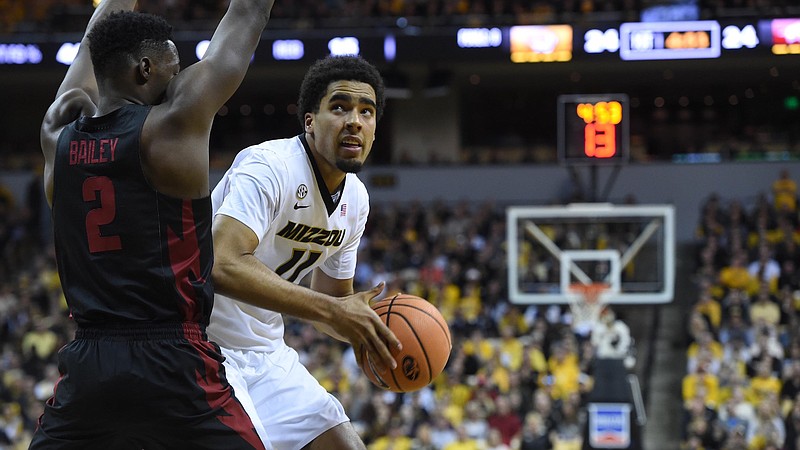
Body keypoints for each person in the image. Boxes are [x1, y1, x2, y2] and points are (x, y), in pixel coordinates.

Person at [32, 0, 275, 448]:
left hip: (89, 365)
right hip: (174, 359)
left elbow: (92, 44)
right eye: (173, 67)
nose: (179, 76)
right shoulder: (170, 127)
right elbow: (248, 13)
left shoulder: (56, 135)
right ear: (145, 69)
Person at [207, 54, 401, 450]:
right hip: (198, 346)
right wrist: (333, 310)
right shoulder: (268, 167)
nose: (354, 120)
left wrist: (366, 332)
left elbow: (332, 305)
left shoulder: (357, 200)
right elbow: (221, 264)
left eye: (367, 111)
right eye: (340, 107)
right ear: (310, 121)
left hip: (265, 352)